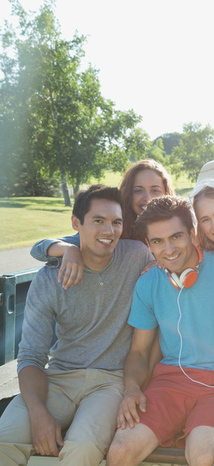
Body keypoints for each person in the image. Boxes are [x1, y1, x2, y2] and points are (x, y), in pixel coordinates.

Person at [0, 185, 153, 465]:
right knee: (3, 440)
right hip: (59, 376)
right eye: (98, 221)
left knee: (81, 449)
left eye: (116, 222)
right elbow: (32, 355)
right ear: (76, 223)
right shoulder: (49, 279)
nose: (109, 231)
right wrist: (38, 413)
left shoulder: (137, 256)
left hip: (111, 381)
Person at [105, 196, 214, 466]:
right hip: (169, 382)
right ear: (149, 245)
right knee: (120, 452)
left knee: (204, 456)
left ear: (192, 234)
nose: (168, 249)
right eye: (157, 242)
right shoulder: (148, 283)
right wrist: (132, 389)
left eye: (176, 237)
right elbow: (138, 350)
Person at [30, 159, 174, 290]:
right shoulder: (113, 229)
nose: (147, 198)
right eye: (138, 190)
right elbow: (38, 248)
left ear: (166, 193)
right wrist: (70, 249)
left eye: (155, 190)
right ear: (129, 194)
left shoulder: (177, 227)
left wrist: (164, 262)